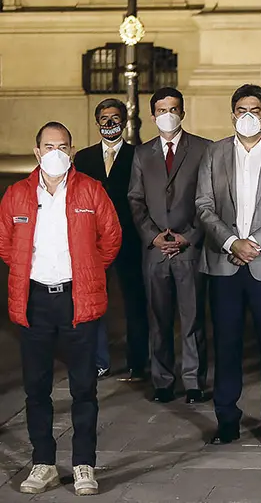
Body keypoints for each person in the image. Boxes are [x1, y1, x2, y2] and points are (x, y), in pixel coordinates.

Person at [0, 122, 121, 496]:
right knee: (36, 388)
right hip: (34, 301)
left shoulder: (91, 190)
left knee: (84, 387)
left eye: (63, 146)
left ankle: (84, 464)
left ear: (72, 151)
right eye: (49, 146)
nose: (56, 153)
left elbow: (111, 239)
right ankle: (44, 463)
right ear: (37, 152)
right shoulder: (17, 195)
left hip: (77, 299)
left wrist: (86, 271)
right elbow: (5, 244)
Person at [195, 84, 261, 446]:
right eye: (241, 110)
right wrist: (231, 242)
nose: (247, 116)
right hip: (224, 263)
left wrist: (253, 243)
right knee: (226, 343)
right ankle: (227, 419)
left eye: (254, 110)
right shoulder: (214, 153)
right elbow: (203, 206)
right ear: (232, 115)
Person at [128, 87, 212, 404]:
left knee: (193, 318)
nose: (168, 115)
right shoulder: (142, 154)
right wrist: (152, 236)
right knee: (158, 319)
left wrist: (189, 236)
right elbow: (135, 199)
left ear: (183, 113)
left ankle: (194, 382)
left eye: (173, 109)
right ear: (153, 116)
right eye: (162, 110)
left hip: (189, 249)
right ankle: (162, 380)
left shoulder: (203, 149)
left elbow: (210, 199)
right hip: (155, 251)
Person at [72, 98, 148, 382]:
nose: (110, 123)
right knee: (92, 302)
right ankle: (97, 361)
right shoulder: (84, 159)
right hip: (93, 242)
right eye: (104, 118)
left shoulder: (138, 155)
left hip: (130, 239)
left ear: (124, 121)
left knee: (135, 302)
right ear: (97, 122)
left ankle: (138, 362)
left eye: (115, 117)